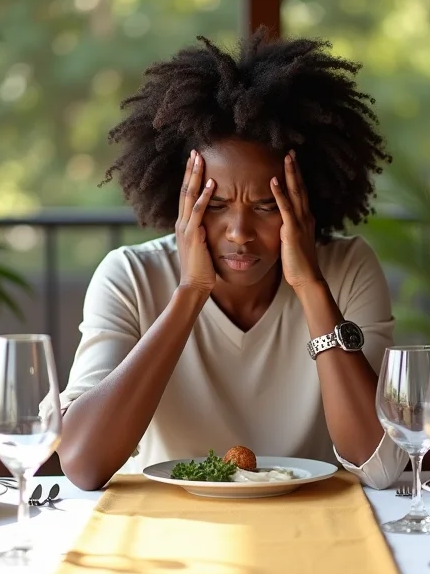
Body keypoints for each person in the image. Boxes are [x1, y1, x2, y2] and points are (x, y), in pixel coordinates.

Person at [53, 29, 407, 491]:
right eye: (215, 206)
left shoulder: (346, 268)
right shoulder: (130, 277)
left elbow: (381, 467)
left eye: (266, 207)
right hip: (169, 531)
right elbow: (82, 464)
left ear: (305, 202)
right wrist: (189, 294)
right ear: (181, 201)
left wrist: (312, 289)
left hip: (312, 527)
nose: (239, 233)